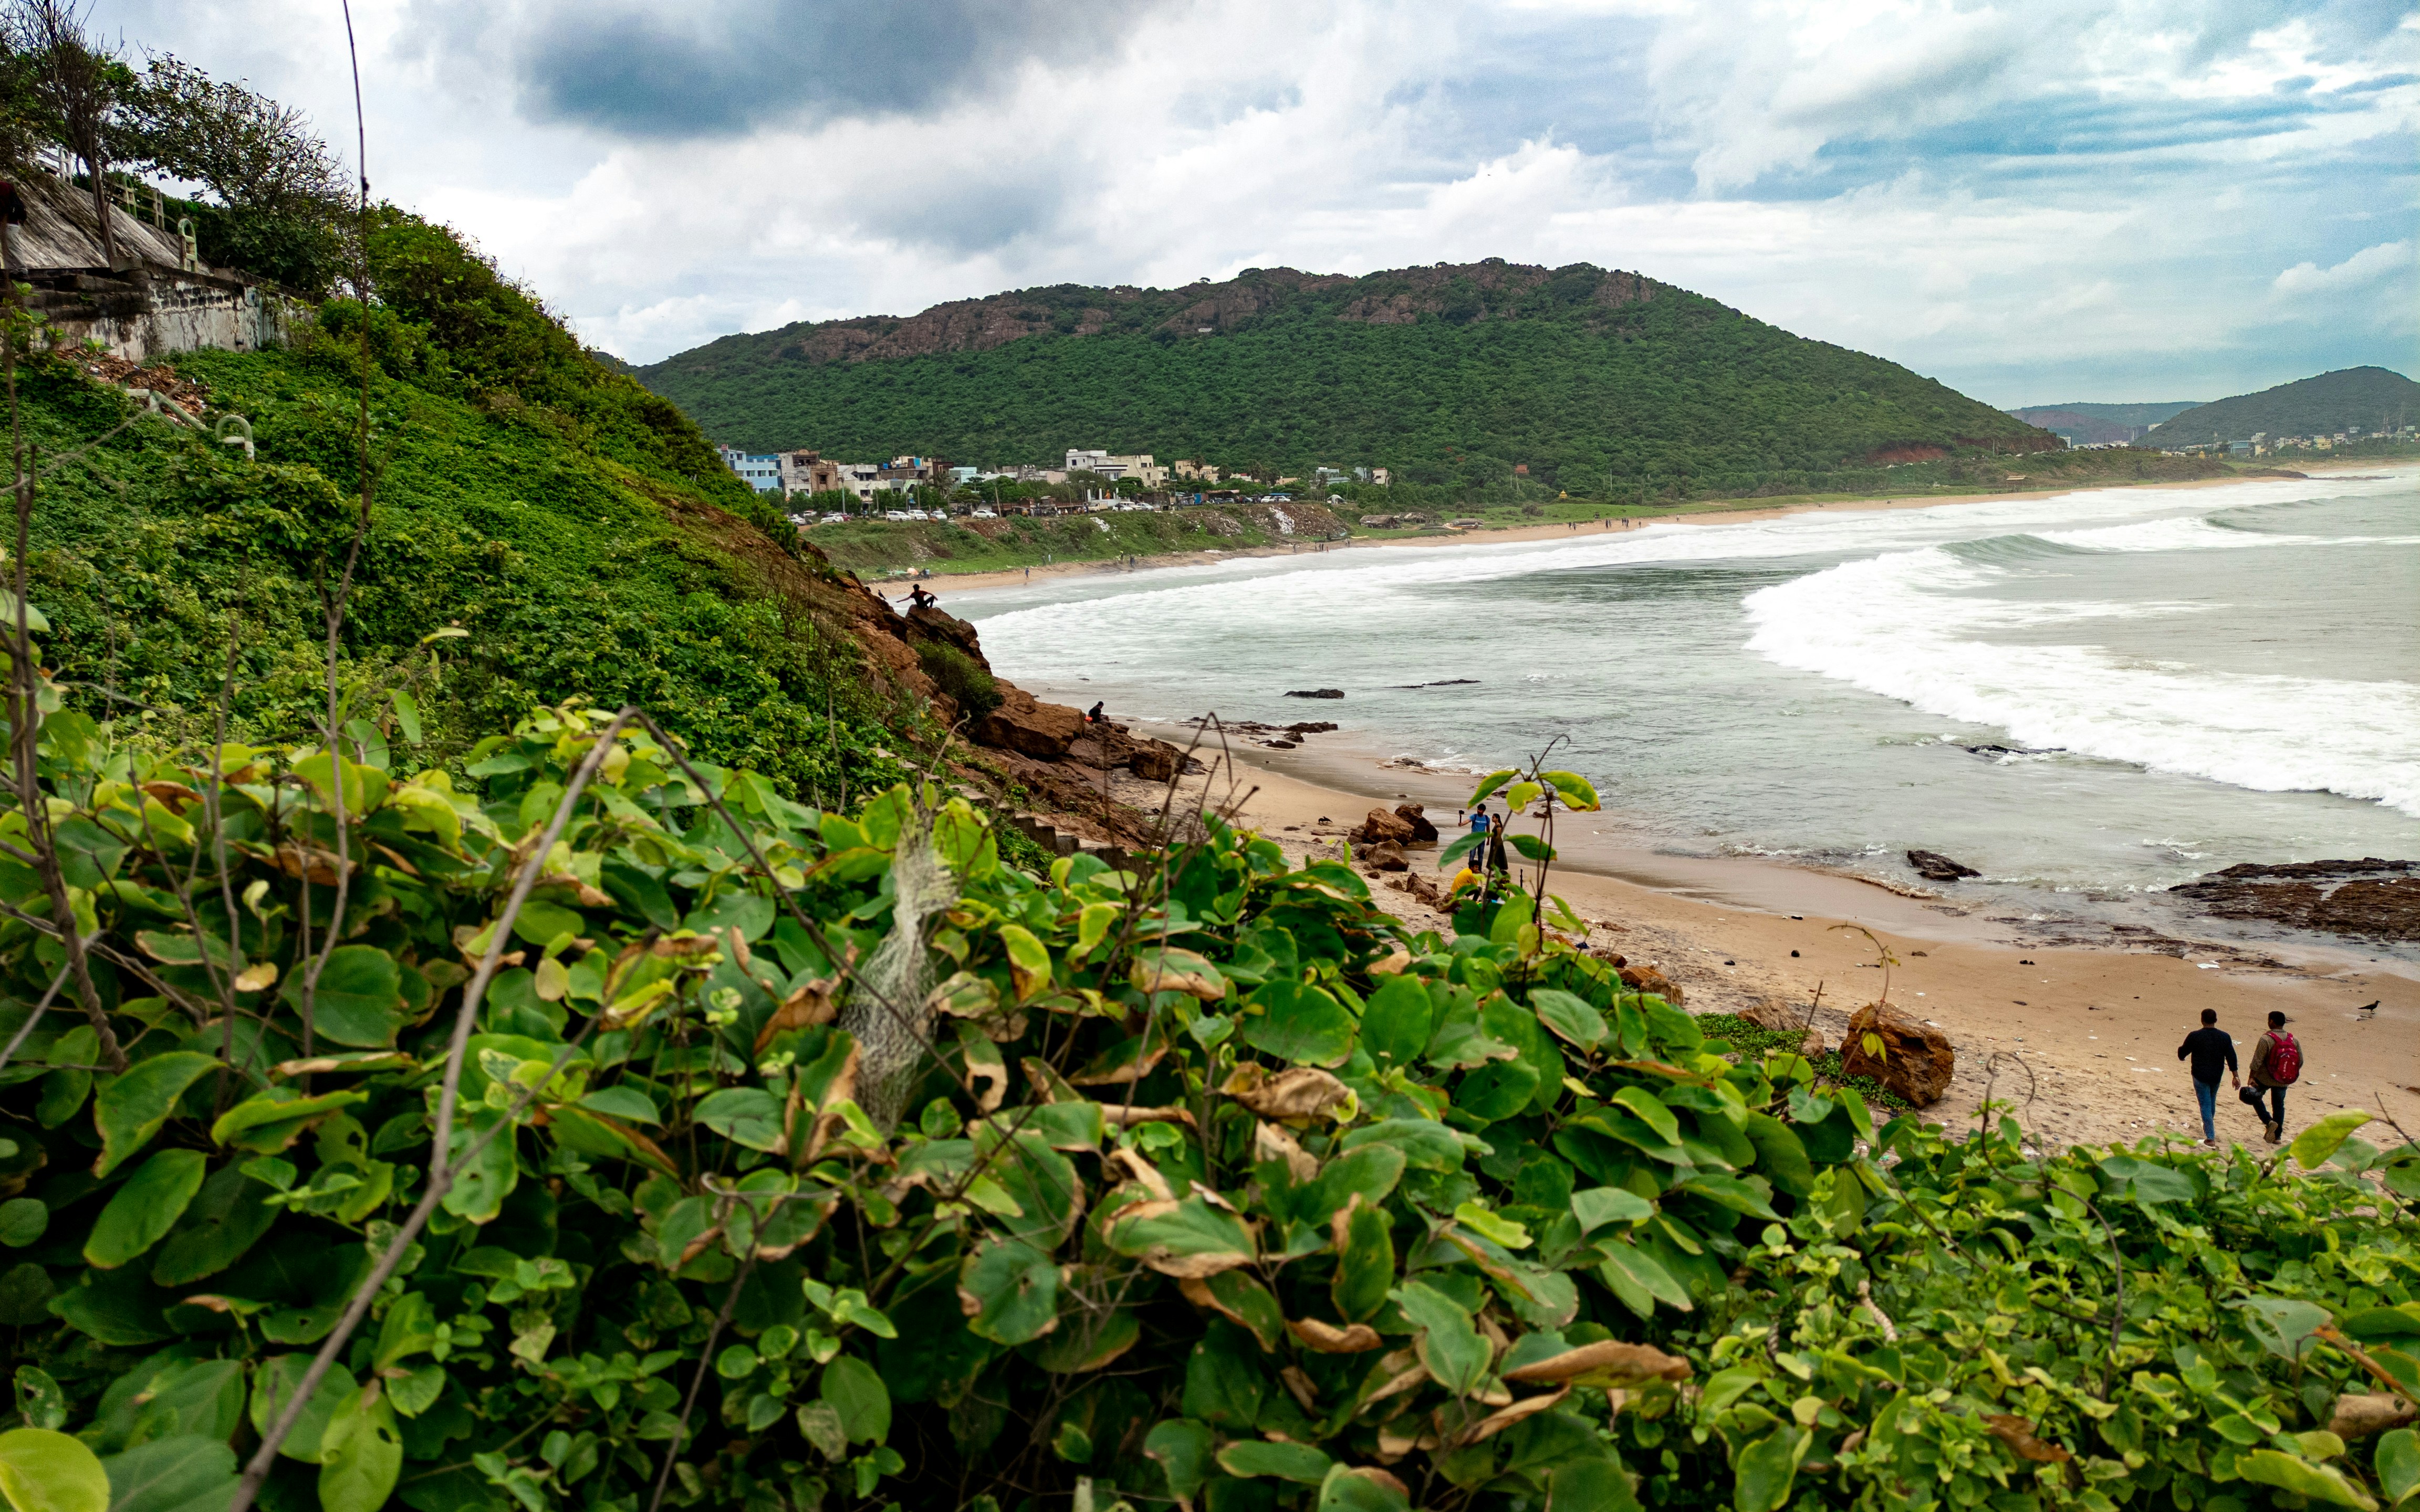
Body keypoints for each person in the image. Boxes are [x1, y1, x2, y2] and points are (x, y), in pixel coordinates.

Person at [2174, 1008, 2239, 1146]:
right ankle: (2208, 1126)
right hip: (2216, 1075)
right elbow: (2232, 1057)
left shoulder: (2194, 1036)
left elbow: (2183, 1053)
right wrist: (2236, 1076)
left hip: (2199, 1075)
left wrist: (2181, 1054)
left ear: (2202, 1020)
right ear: (2216, 1020)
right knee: (2211, 1101)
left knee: (2205, 1104)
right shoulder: (2225, 1037)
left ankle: (2210, 1137)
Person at [2245, 1010, 2301, 1143]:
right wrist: (2288, 1073)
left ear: (2272, 1022)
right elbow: (2300, 1061)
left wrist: (2251, 1077)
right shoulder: (2294, 1040)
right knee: (2279, 1106)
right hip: (2283, 1079)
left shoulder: (2266, 1039)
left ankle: (2268, 1121)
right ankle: (2277, 1137)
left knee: (2254, 1097)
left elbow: (2257, 1060)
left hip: (2264, 1077)